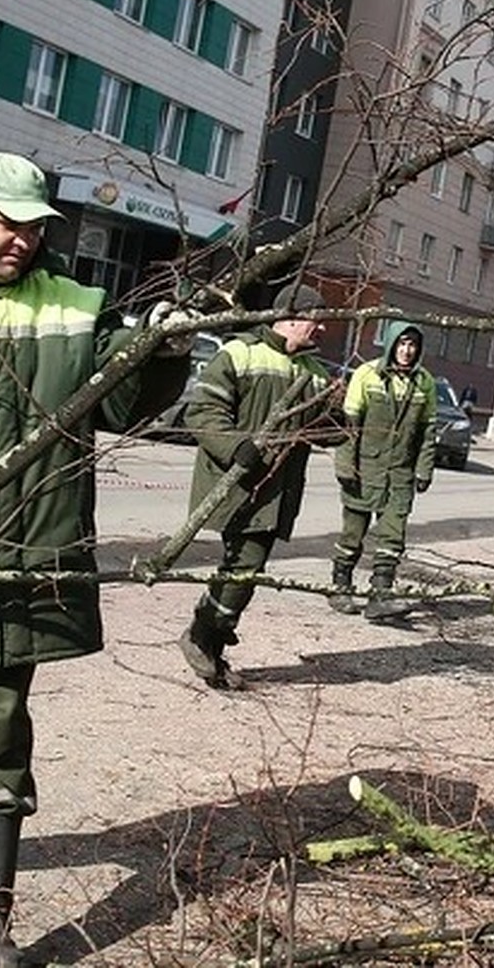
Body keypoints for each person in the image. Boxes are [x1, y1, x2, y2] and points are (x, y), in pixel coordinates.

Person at [0, 152, 190, 966]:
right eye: (7, 222)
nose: (24, 239)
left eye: (34, 226)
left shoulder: (76, 308)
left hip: (17, 564)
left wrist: (163, 349)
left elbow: (126, 404)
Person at [177, 283, 332, 690]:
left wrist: (344, 422)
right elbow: (204, 411)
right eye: (318, 322)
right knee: (243, 567)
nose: (322, 331)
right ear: (294, 317)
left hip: (277, 493)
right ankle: (202, 638)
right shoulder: (239, 353)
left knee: (245, 569)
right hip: (236, 485)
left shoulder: (314, 373)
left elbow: (325, 428)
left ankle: (209, 643)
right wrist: (236, 447)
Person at [329, 321, 437, 621]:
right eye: (402, 343)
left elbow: (428, 432)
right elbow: (349, 426)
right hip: (364, 469)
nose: (407, 350)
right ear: (391, 344)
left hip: (400, 474)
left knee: (392, 536)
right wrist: (346, 464)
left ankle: (380, 595)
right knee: (353, 534)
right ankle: (340, 587)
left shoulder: (424, 382)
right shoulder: (367, 374)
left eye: (413, 345)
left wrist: (424, 469)